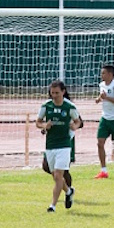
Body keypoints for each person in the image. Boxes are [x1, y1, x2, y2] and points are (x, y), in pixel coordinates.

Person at [36, 80, 81, 212]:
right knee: (54, 175)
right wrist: (44, 125)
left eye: (57, 93)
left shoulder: (69, 107)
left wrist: (75, 126)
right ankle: (68, 191)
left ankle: (53, 206)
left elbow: (78, 121)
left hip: (64, 145)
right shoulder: (46, 106)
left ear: (63, 92)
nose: (54, 95)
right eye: (52, 93)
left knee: (57, 176)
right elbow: (38, 122)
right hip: (50, 145)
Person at [42, 104, 83, 197]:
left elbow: (80, 123)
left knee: (64, 170)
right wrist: (45, 127)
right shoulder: (49, 107)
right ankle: (68, 190)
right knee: (46, 166)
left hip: (66, 141)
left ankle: (68, 191)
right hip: (52, 141)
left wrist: (70, 125)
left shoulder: (68, 106)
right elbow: (45, 123)